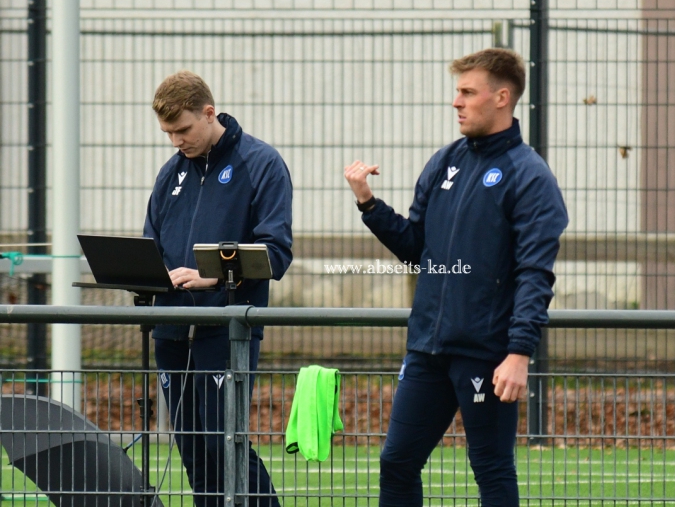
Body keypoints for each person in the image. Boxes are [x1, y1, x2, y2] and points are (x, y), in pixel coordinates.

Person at [344, 48, 569, 506]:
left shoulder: (530, 177)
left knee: (490, 468)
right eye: (457, 91)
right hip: (427, 347)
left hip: (486, 356)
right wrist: (369, 204)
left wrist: (519, 353)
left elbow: (534, 274)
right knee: (397, 462)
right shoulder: (444, 162)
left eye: (468, 92)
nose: (456, 102)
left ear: (502, 97)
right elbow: (417, 249)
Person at [144, 71, 292, 507]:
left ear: (209, 113)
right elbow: (152, 243)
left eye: (183, 130)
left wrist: (214, 274)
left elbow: (276, 252)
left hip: (227, 332)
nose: (175, 141)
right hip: (170, 330)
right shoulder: (171, 174)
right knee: (192, 450)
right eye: (168, 132)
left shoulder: (261, 163)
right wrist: (142, 277)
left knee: (222, 442)